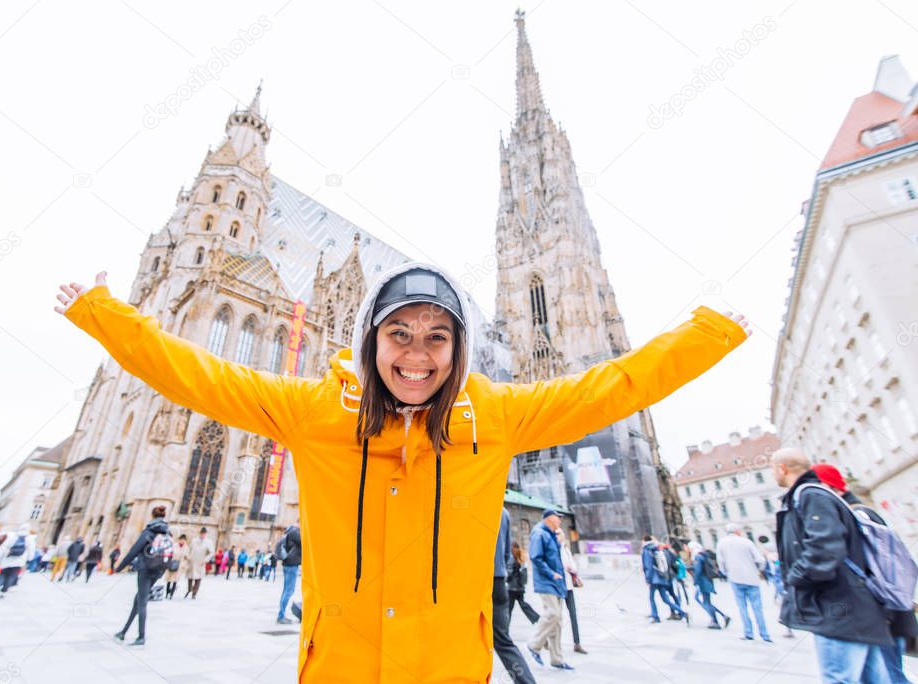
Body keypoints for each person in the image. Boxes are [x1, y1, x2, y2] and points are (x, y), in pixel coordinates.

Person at [55, 265, 749, 680]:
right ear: (372, 341)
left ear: (458, 348)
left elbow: (614, 387)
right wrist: (103, 315)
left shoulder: (494, 416)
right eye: (400, 336)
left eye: (436, 338)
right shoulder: (315, 411)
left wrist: (708, 332)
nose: (417, 357)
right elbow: (199, 379)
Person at [772, 448, 892, 682]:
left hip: (838, 608)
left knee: (838, 678)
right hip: (850, 608)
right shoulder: (813, 495)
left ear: (782, 468)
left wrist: (796, 579)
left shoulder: (810, 496)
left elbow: (824, 549)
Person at [812, 462, 918, 684]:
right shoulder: (857, 514)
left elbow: (879, 569)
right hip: (885, 612)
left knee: (891, 675)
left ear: (834, 488)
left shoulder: (858, 516)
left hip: (884, 612)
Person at [114, 506, 170, 646]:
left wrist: (119, 567)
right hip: (158, 570)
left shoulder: (149, 531)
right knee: (138, 599)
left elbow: (134, 551)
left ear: (152, 515)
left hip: (145, 569)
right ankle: (124, 631)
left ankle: (141, 637)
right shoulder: (167, 532)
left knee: (142, 601)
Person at [491, 508, 535, 684]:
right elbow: (507, 554)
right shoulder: (503, 512)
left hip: (475, 582)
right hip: (499, 580)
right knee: (503, 641)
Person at [526, 509, 573, 671]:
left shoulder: (551, 535)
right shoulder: (539, 533)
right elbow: (535, 557)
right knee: (553, 613)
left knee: (558, 622)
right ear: (550, 518)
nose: (560, 522)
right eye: (558, 518)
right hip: (546, 582)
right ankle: (534, 644)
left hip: (556, 583)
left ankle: (557, 659)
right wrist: (551, 574)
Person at [716, 523, 771, 642]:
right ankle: (764, 634)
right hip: (752, 578)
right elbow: (760, 560)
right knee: (757, 608)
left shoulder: (721, 543)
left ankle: (748, 633)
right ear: (737, 531)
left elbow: (721, 562)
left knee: (742, 607)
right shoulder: (747, 542)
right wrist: (759, 570)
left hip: (735, 578)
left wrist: (726, 573)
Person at [641, 535, 687, 624]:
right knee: (666, 598)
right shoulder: (658, 549)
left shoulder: (647, 550)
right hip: (663, 576)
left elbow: (648, 566)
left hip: (655, 578)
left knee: (652, 597)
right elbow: (674, 560)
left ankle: (655, 616)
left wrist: (648, 579)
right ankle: (682, 613)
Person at [555, 527, 587, 654]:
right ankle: (553, 644)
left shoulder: (565, 549)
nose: (558, 536)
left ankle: (577, 643)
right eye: (556, 534)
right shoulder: (554, 549)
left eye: (559, 533)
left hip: (568, 586)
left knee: (573, 614)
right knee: (555, 616)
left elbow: (573, 566)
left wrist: (571, 568)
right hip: (558, 586)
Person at [689, 541, 729, 630]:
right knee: (705, 601)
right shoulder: (703, 555)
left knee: (705, 602)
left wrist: (695, 581)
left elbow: (698, 570)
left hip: (703, 581)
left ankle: (715, 621)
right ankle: (721, 617)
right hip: (707, 580)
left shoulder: (698, 557)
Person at [0, 525, 33, 599]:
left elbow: (3, 548)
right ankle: (4, 591)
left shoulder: (12, 536)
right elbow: (31, 550)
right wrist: (29, 559)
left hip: (7, 559)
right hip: (19, 561)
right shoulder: (29, 538)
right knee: (12, 576)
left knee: (3, 573)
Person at [506, 542, 539, 625]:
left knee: (509, 609)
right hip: (520, 588)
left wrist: (507, 579)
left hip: (512, 589)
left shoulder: (511, 559)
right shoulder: (522, 558)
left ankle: (505, 628)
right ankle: (535, 617)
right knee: (523, 605)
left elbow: (509, 575)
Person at [276, 522, 302, 624]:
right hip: (292, 565)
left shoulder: (290, 531)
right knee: (289, 591)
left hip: (288, 564)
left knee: (286, 591)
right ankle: (281, 616)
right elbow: (304, 542)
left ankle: (281, 615)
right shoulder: (295, 532)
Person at [186, 527, 211, 599]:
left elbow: (211, 553)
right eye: (201, 533)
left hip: (201, 562)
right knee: (190, 577)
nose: (202, 535)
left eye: (204, 533)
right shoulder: (194, 540)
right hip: (192, 561)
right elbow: (189, 549)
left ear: (206, 534)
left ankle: (194, 593)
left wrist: (206, 559)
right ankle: (189, 589)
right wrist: (188, 557)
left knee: (198, 578)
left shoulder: (208, 542)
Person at [165, 534, 188, 599]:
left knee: (175, 580)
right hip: (172, 563)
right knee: (169, 579)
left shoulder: (186, 547)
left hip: (179, 566)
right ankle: (167, 593)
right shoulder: (174, 545)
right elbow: (169, 553)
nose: (182, 541)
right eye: (181, 539)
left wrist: (184, 563)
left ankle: (171, 594)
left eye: (183, 540)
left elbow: (187, 557)